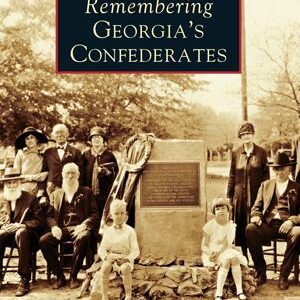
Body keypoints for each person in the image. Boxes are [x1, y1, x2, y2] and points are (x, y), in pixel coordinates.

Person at [39, 163, 99, 289]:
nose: (70, 176)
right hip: (62, 229)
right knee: (44, 241)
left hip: (79, 228)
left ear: (78, 175)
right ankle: (60, 276)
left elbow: (95, 215)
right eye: (67, 173)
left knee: (84, 237)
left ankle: (73, 276)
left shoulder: (87, 192)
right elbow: (49, 216)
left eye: (73, 173)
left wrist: (84, 224)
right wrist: (54, 226)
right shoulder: (56, 194)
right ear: (62, 175)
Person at [245, 151, 300, 290]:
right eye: (276, 169)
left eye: (282, 169)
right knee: (250, 229)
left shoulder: (297, 188)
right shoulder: (266, 185)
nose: (279, 172)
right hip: (268, 225)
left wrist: (292, 221)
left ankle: (283, 275)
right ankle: (261, 272)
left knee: (298, 233)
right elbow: (256, 207)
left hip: (288, 226)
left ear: (289, 169)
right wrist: (256, 216)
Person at [227, 121, 269, 258]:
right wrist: (229, 197)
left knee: (254, 227)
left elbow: (266, 177)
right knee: (241, 229)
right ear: (240, 137)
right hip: (239, 197)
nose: (246, 136)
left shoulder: (261, 152)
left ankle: (257, 261)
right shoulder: (236, 153)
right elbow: (232, 175)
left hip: (257, 196)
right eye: (243, 134)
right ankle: (245, 260)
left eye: (249, 133)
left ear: (253, 134)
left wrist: (266, 196)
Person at [0, 168, 43, 297]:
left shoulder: (30, 198)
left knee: (21, 233)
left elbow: (39, 222)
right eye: (9, 183)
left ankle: (24, 280)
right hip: (8, 235)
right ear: (5, 185)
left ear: (19, 183)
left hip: (28, 236)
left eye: (14, 182)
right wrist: (3, 226)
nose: (12, 185)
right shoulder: (2, 199)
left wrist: (22, 225)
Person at [202, 198, 247, 300]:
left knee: (234, 259)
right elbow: (203, 246)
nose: (221, 211)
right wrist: (210, 253)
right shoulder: (209, 226)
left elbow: (226, 244)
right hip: (211, 252)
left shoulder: (231, 225)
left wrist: (219, 253)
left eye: (223, 208)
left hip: (225, 250)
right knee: (226, 261)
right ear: (214, 211)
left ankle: (239, 291)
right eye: (217, 209)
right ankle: (218, 293)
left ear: (228, 210)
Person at [95, 200, 140, 300]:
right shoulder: (108, 231)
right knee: (105, 267)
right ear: (111, 215)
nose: (119, 216)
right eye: (116, 213)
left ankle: (128, 295)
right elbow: (102, 249)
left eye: (122, 213)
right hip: (112, 257)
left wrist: (127, 259)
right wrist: (106, 257)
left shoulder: (130, 231)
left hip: (125, 258)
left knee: (125, 269)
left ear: (125, 214)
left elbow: (135, 250)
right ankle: (104, 295)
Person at [83, 126, 118, 217]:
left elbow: (116, 175)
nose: (96, 140)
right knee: (90, 215)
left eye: (99, 137)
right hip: (89, 193)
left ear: (103, 140)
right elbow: (81, 173)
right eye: (94, 138)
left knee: (103, 215)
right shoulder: (86, 155)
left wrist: (106, 172)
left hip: (104, 193)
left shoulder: (109, 155)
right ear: (91, 141)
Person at [43, 123, 83, 197]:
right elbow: (44, 171)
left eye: (62, 132)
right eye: (57, 133)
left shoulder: (76, 151)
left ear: (67, 134)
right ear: (53, 136)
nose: (59, 135)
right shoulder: (48, 152)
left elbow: (80, 171)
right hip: (52, 188)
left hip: (70, 187)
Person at [14, 127, 48, 196]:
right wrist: (33, 177)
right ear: (25, 142)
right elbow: (15, 176)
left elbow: (50, 169)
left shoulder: (42, 156)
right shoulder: (21, 154)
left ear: (37, 139)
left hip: (40, 189)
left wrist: (47, 173)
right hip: (24, 188)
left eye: (32, 137)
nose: (30, 140)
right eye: (27, 138)